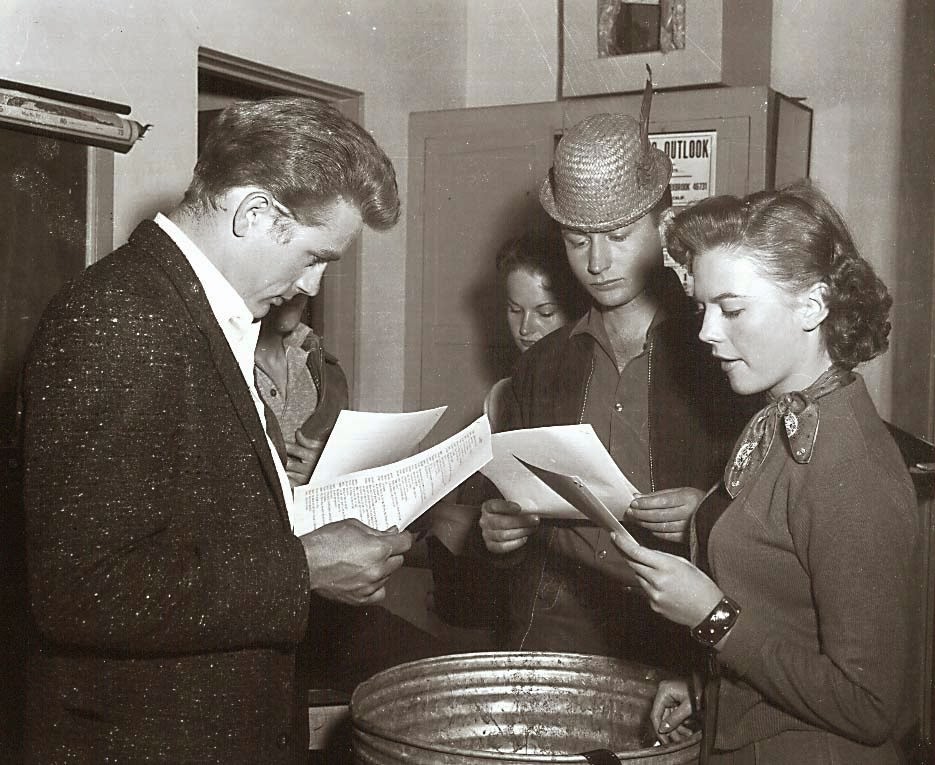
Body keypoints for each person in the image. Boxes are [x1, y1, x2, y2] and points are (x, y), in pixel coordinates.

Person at [20, 97, 411, 763]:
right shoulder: (121, 317)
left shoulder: (198, 309)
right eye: (316, 256)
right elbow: (80, 589)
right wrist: (305, 565)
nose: (309, 285)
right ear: (255, 213)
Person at [615, 181, 920, 763]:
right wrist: (709, 686)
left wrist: (713, 619)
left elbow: (871, 705)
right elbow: (783, 613)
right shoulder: (780, 418)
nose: (706, 331)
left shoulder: (848, 466)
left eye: (731, 309)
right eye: (703, 308)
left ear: (813, 305)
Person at [477, 84, 755, 670]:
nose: (597, 264)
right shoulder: (542, 363)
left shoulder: (720, 356)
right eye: (578, 242)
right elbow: (514, 505)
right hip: (552, 630)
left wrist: (706, 514)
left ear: (664, 224)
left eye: (619, 237)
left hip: (675, 639)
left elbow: (773, 520)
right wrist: (501, 533)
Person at [427, 224, 586, 637]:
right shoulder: (502, 396)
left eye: (545, 312)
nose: (526, 328)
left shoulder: (589, 390)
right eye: (515, 310)